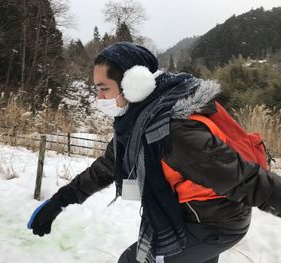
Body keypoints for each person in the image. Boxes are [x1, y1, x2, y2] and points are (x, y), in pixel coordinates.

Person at [27, 42, 281, 263]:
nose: (98, 97)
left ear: (133, 84)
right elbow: (107, 166)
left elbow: (243, 179)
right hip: (190, 215)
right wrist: (60, 201)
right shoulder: (139, 121)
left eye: (103, 88)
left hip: (214, 224)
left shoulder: (172, 131)